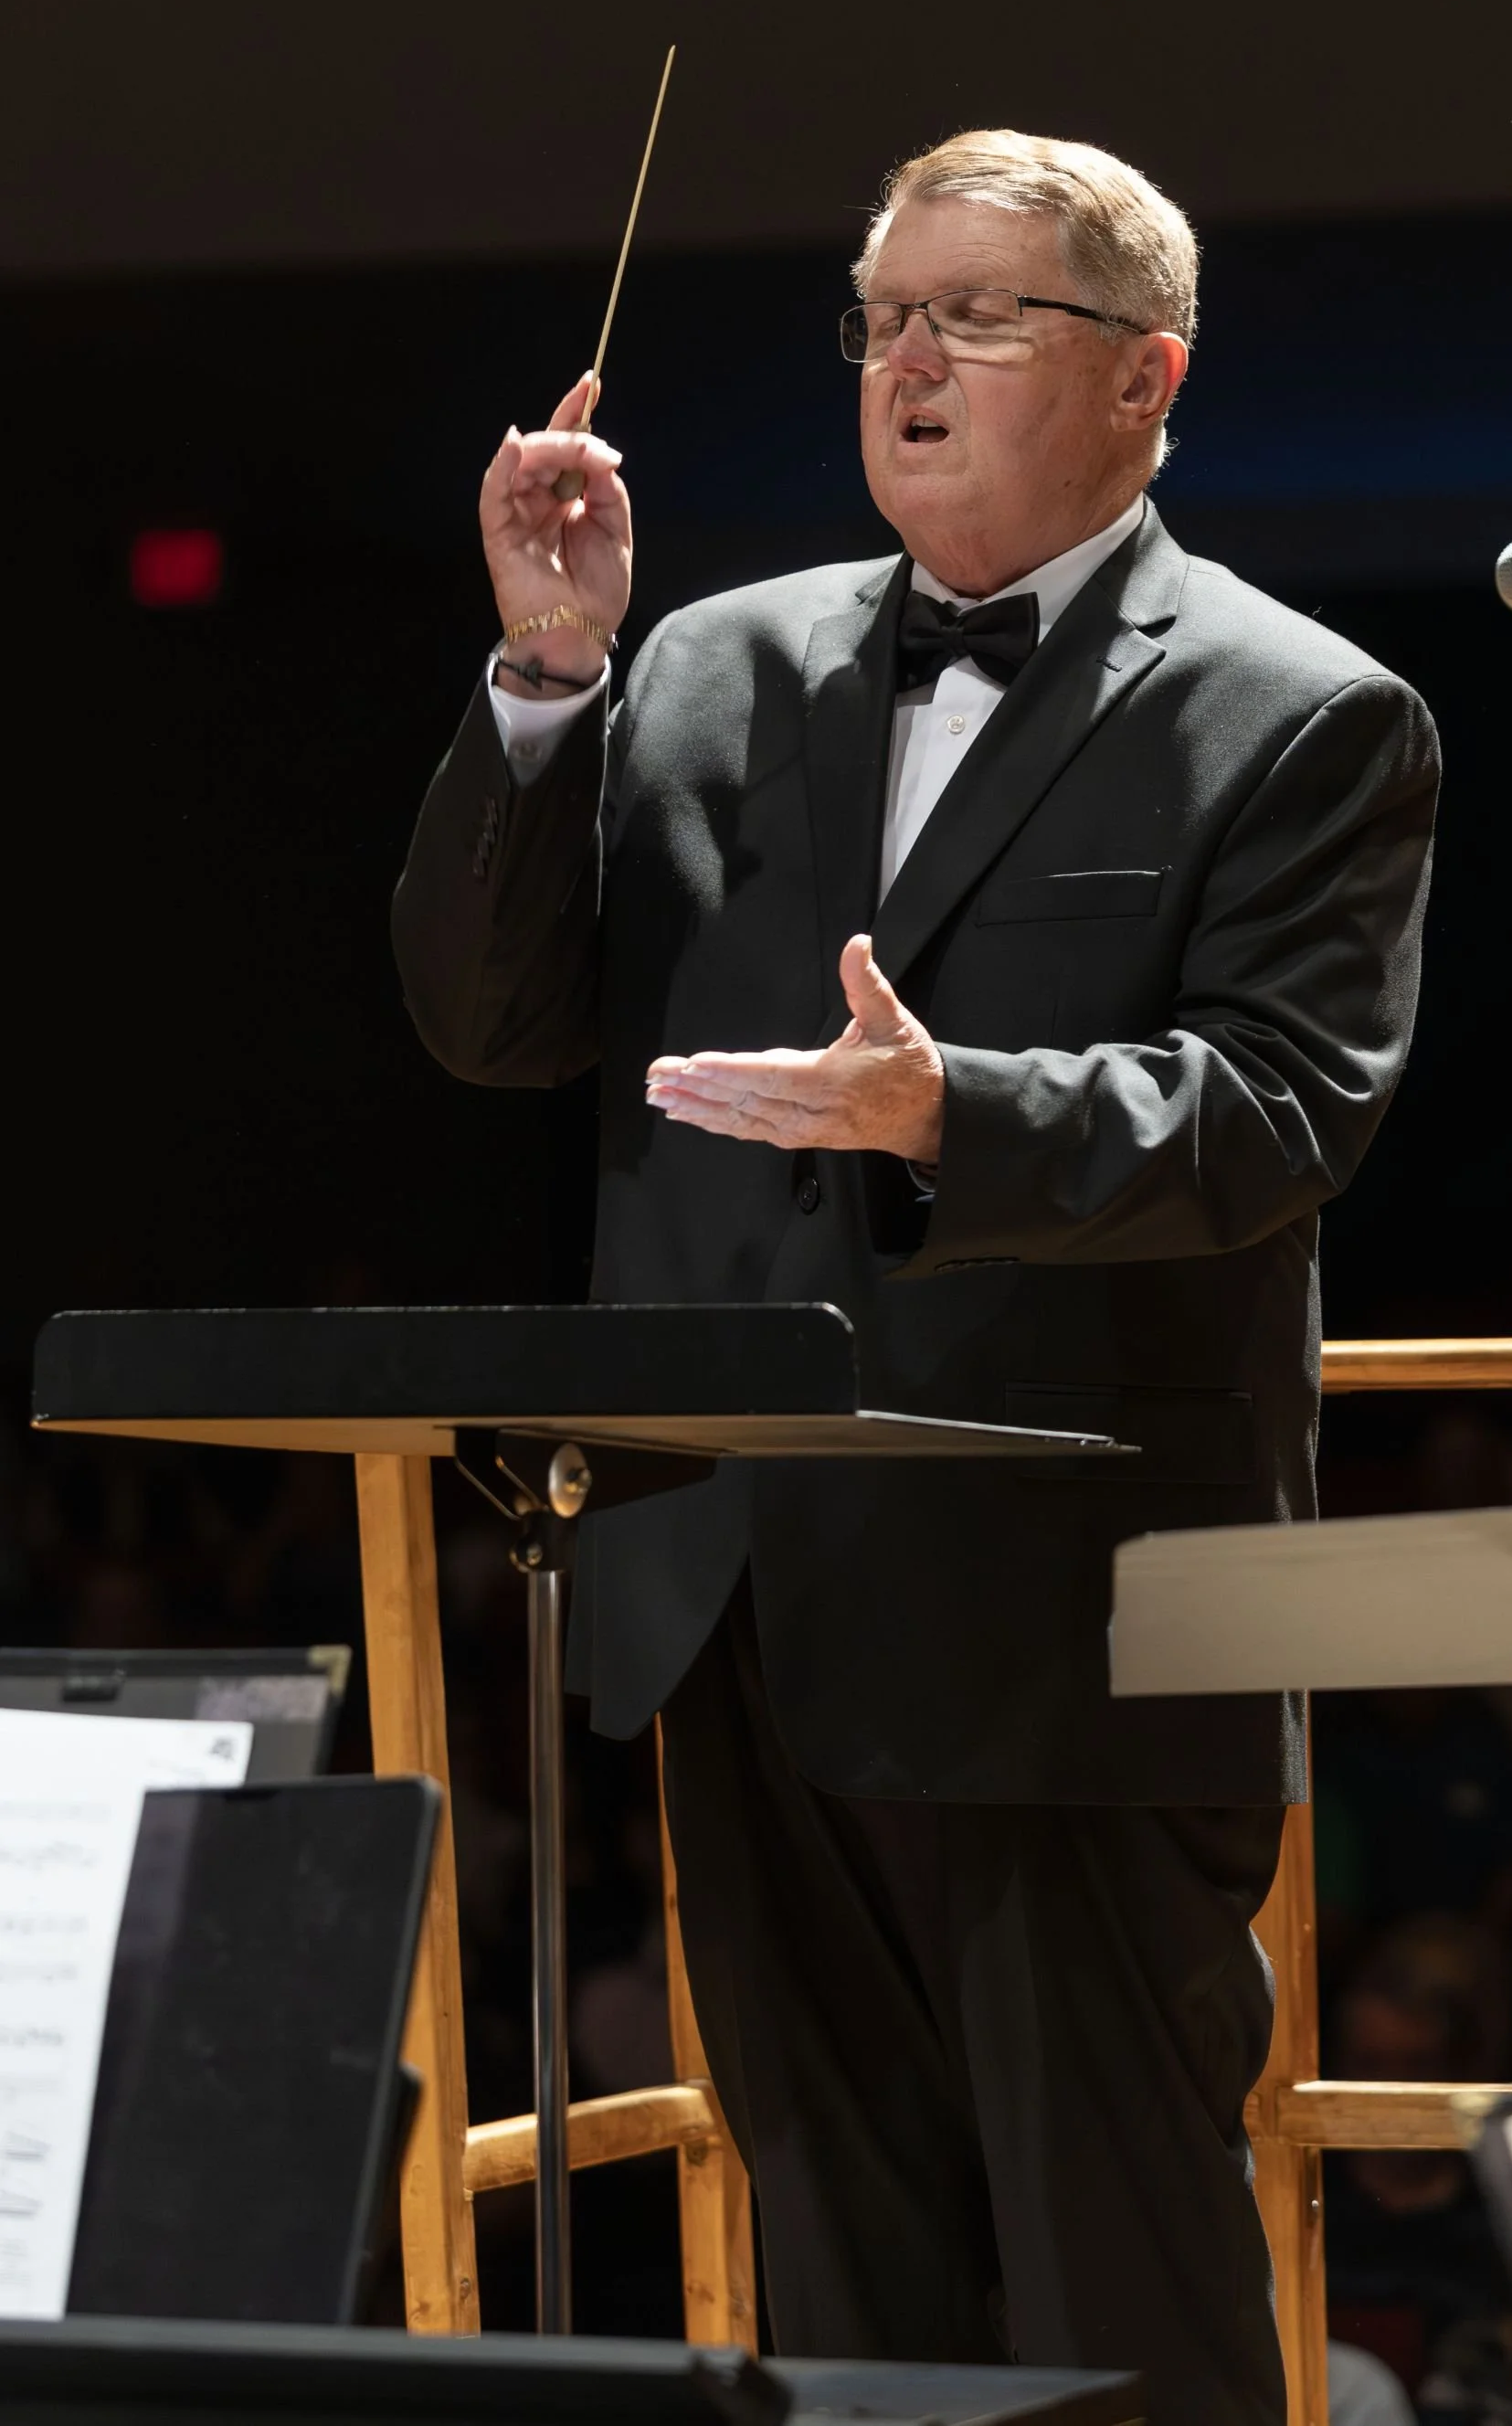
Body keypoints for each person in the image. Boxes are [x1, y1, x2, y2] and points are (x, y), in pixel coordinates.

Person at [393, 129, 1439, 2426]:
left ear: (1145, 376)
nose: (907, 363)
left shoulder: (1301, 709)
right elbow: (490, 1022)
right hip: (735, 1588)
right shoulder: (700, 667)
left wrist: (947, 1109)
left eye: (976, 315)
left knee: (1113, 2287)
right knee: (847, 2294)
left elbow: (1276, 1112)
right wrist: (546, 675)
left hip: (1072, 1617)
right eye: (881, 319)